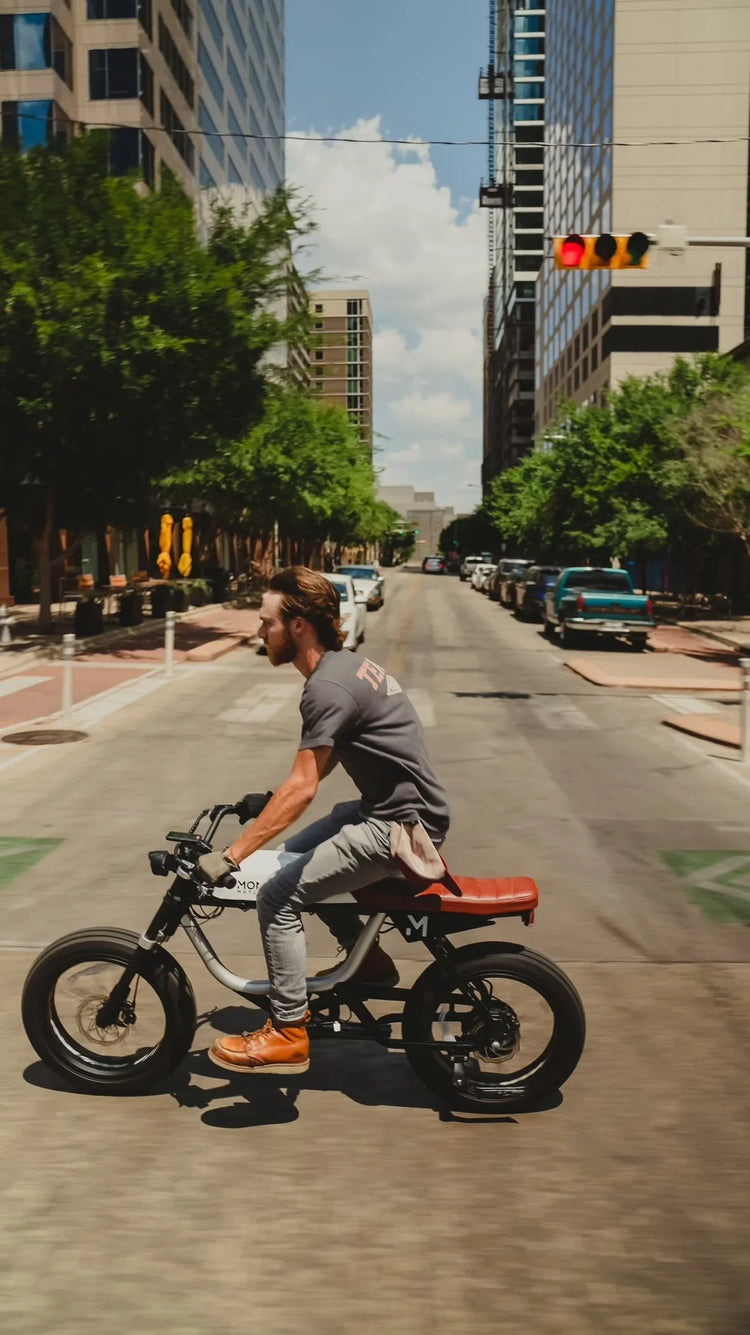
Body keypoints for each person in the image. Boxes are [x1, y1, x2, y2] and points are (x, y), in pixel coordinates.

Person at [197, 565, 450, 1075]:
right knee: (293, 859)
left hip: (401, 827)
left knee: (276, 893)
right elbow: (324, 761)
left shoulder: (326, 687)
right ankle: (371, 964)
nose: (258, 630)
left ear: (297, 626)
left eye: (266, 620)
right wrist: (270, 806)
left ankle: (289, 1031)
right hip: (392, 809)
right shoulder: (345, 667)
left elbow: (304, 786)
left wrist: (231, 855)